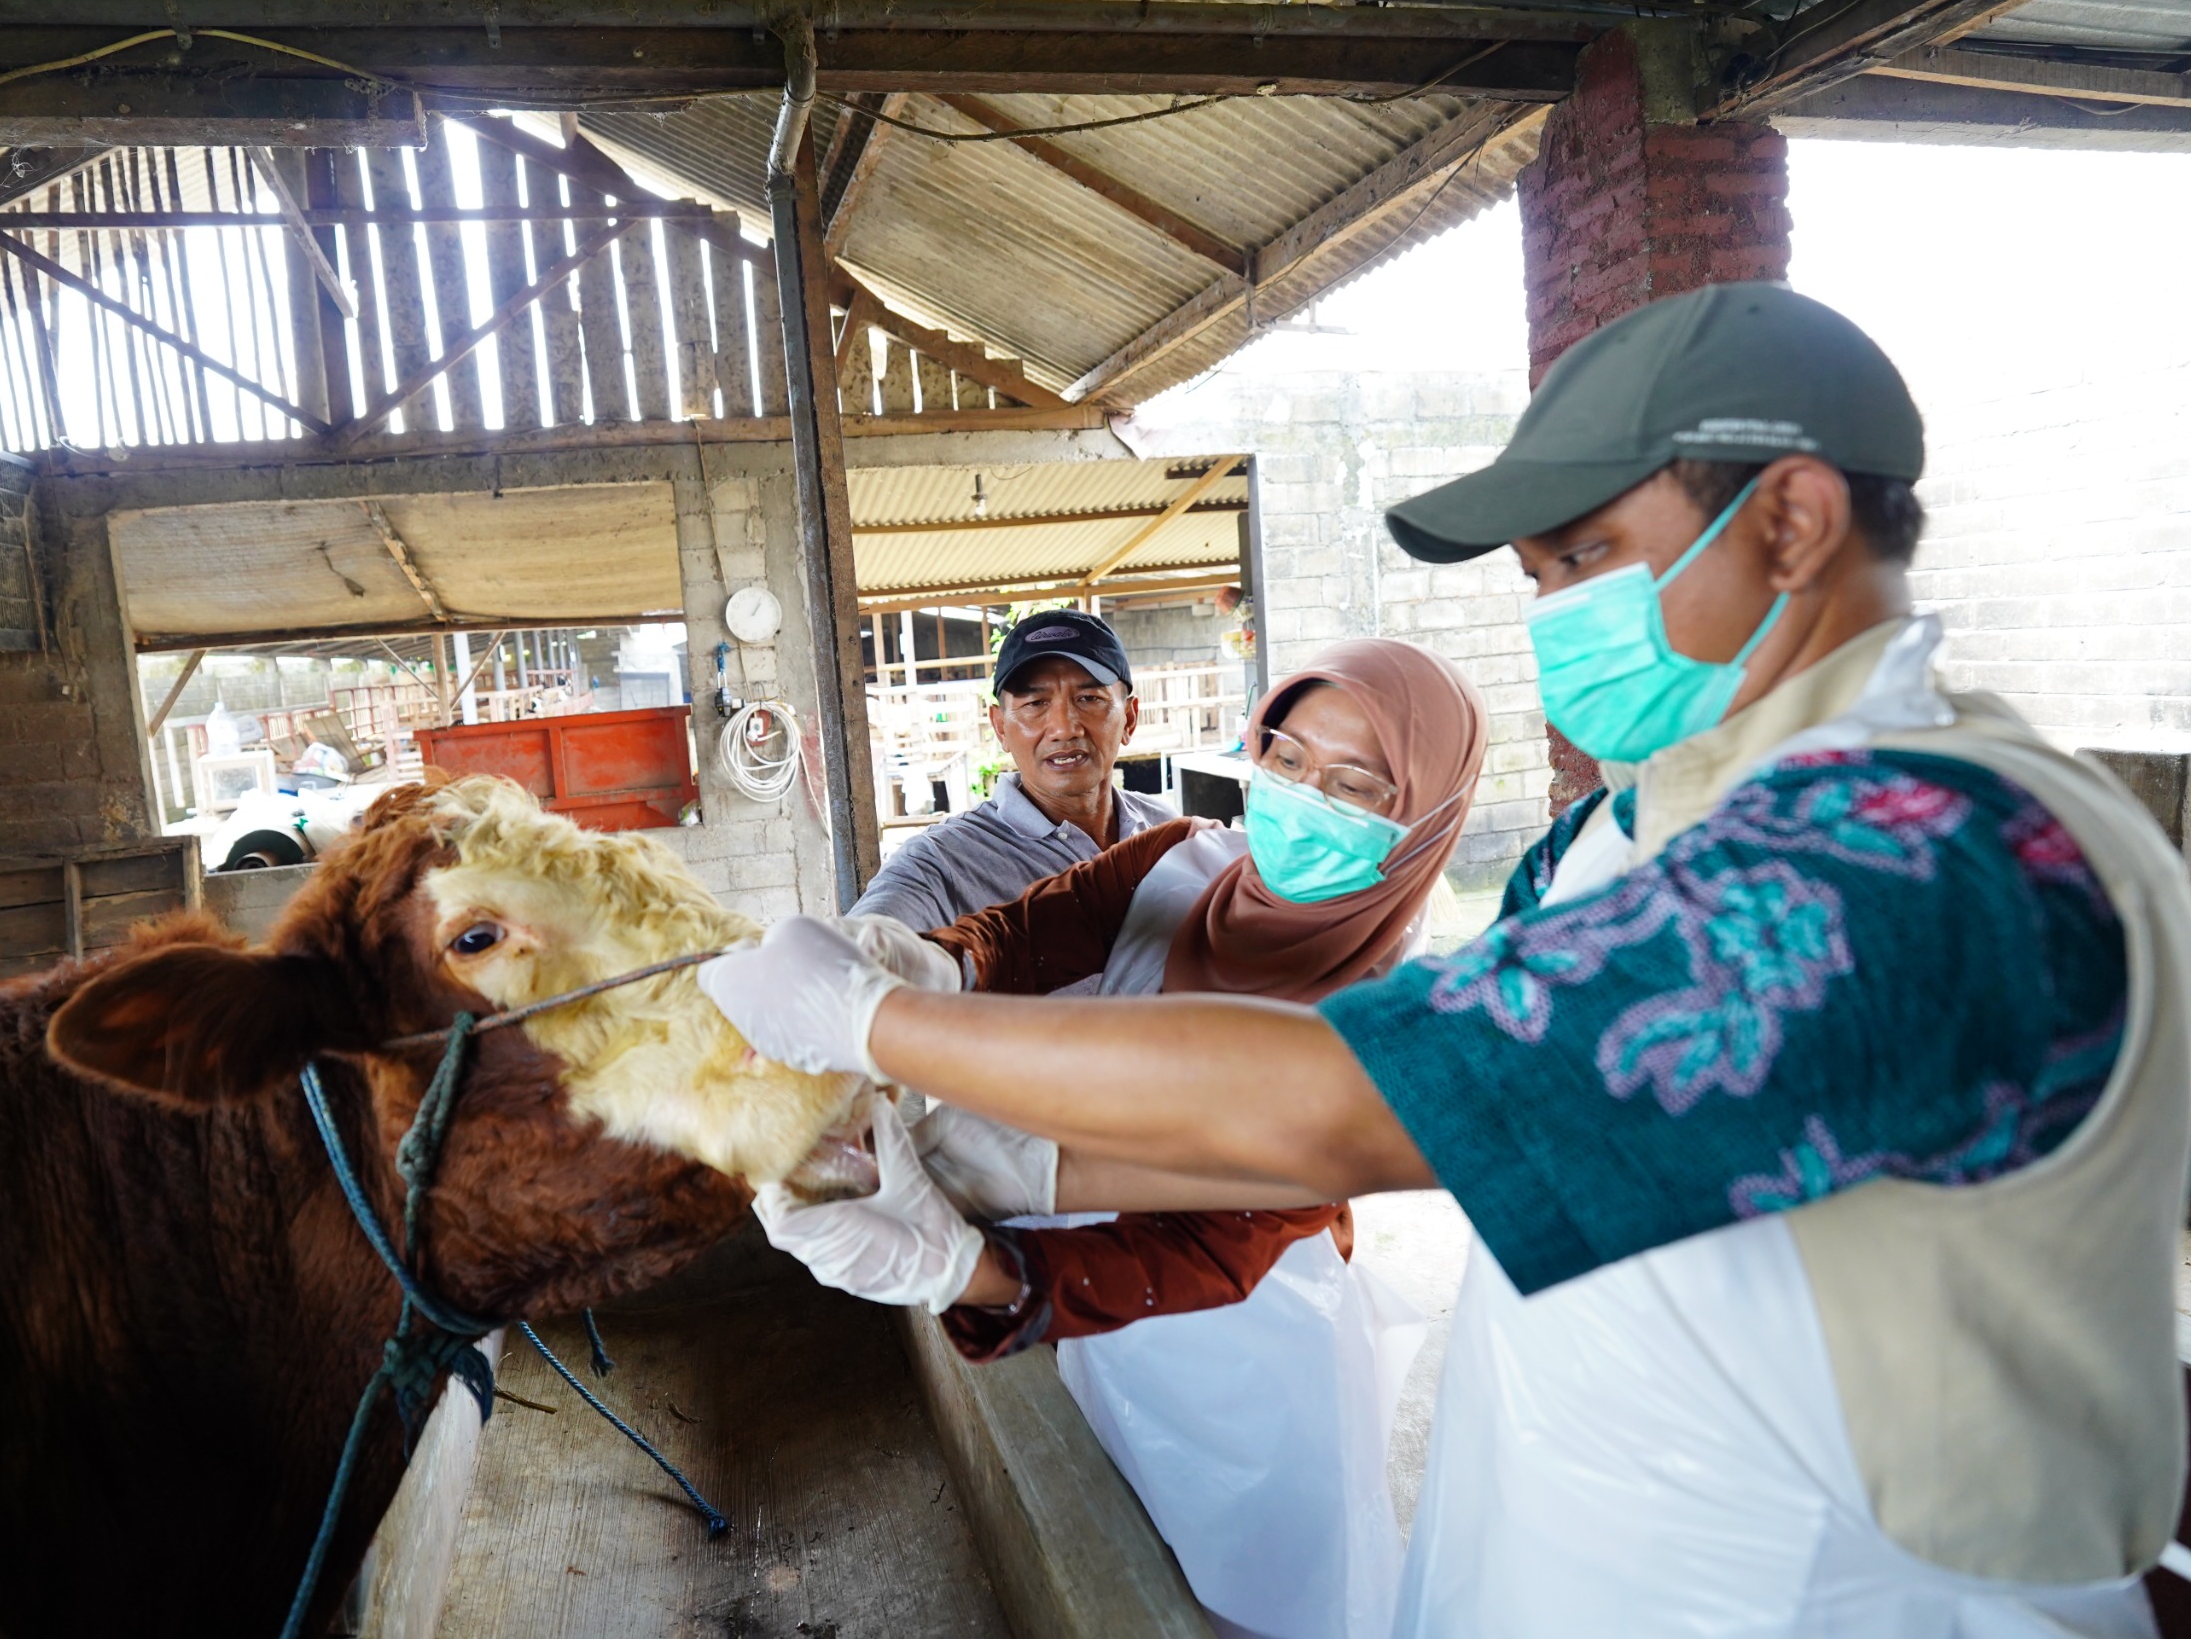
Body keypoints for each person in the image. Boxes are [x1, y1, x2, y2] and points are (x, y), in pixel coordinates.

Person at [705, 283, 2191, 1636]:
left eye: (1590, 554)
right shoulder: (1628, 835)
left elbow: (1364, 1105)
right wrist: (979, 1180)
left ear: (1794, 522)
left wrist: (883, 1024)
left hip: (1829, 1591)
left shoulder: (1929, 850)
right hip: (1562, 1535)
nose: (1558, 615)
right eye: (1543, 575)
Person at [774, 640, 1483, 1639]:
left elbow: (1209, 1246)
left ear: (1425, 820)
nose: (1303, 797)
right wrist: (924, 967)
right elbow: (1025, 931)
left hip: (1254, 1347)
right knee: (1124, 1551)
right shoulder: (1182, 856)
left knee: (1273, 1589)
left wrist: (971, 1266)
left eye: (1354, 783)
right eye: (1286, 759)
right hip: (1106, 1311)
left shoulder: (1389, 1024)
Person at [854, 609, 1175, 930]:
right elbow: (855, 951)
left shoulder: (1165, 830)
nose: (1064, 729)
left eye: (1089, 698)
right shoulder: (942, 863)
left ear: (1129, 719)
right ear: (1001, 728)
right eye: (1035, 704)